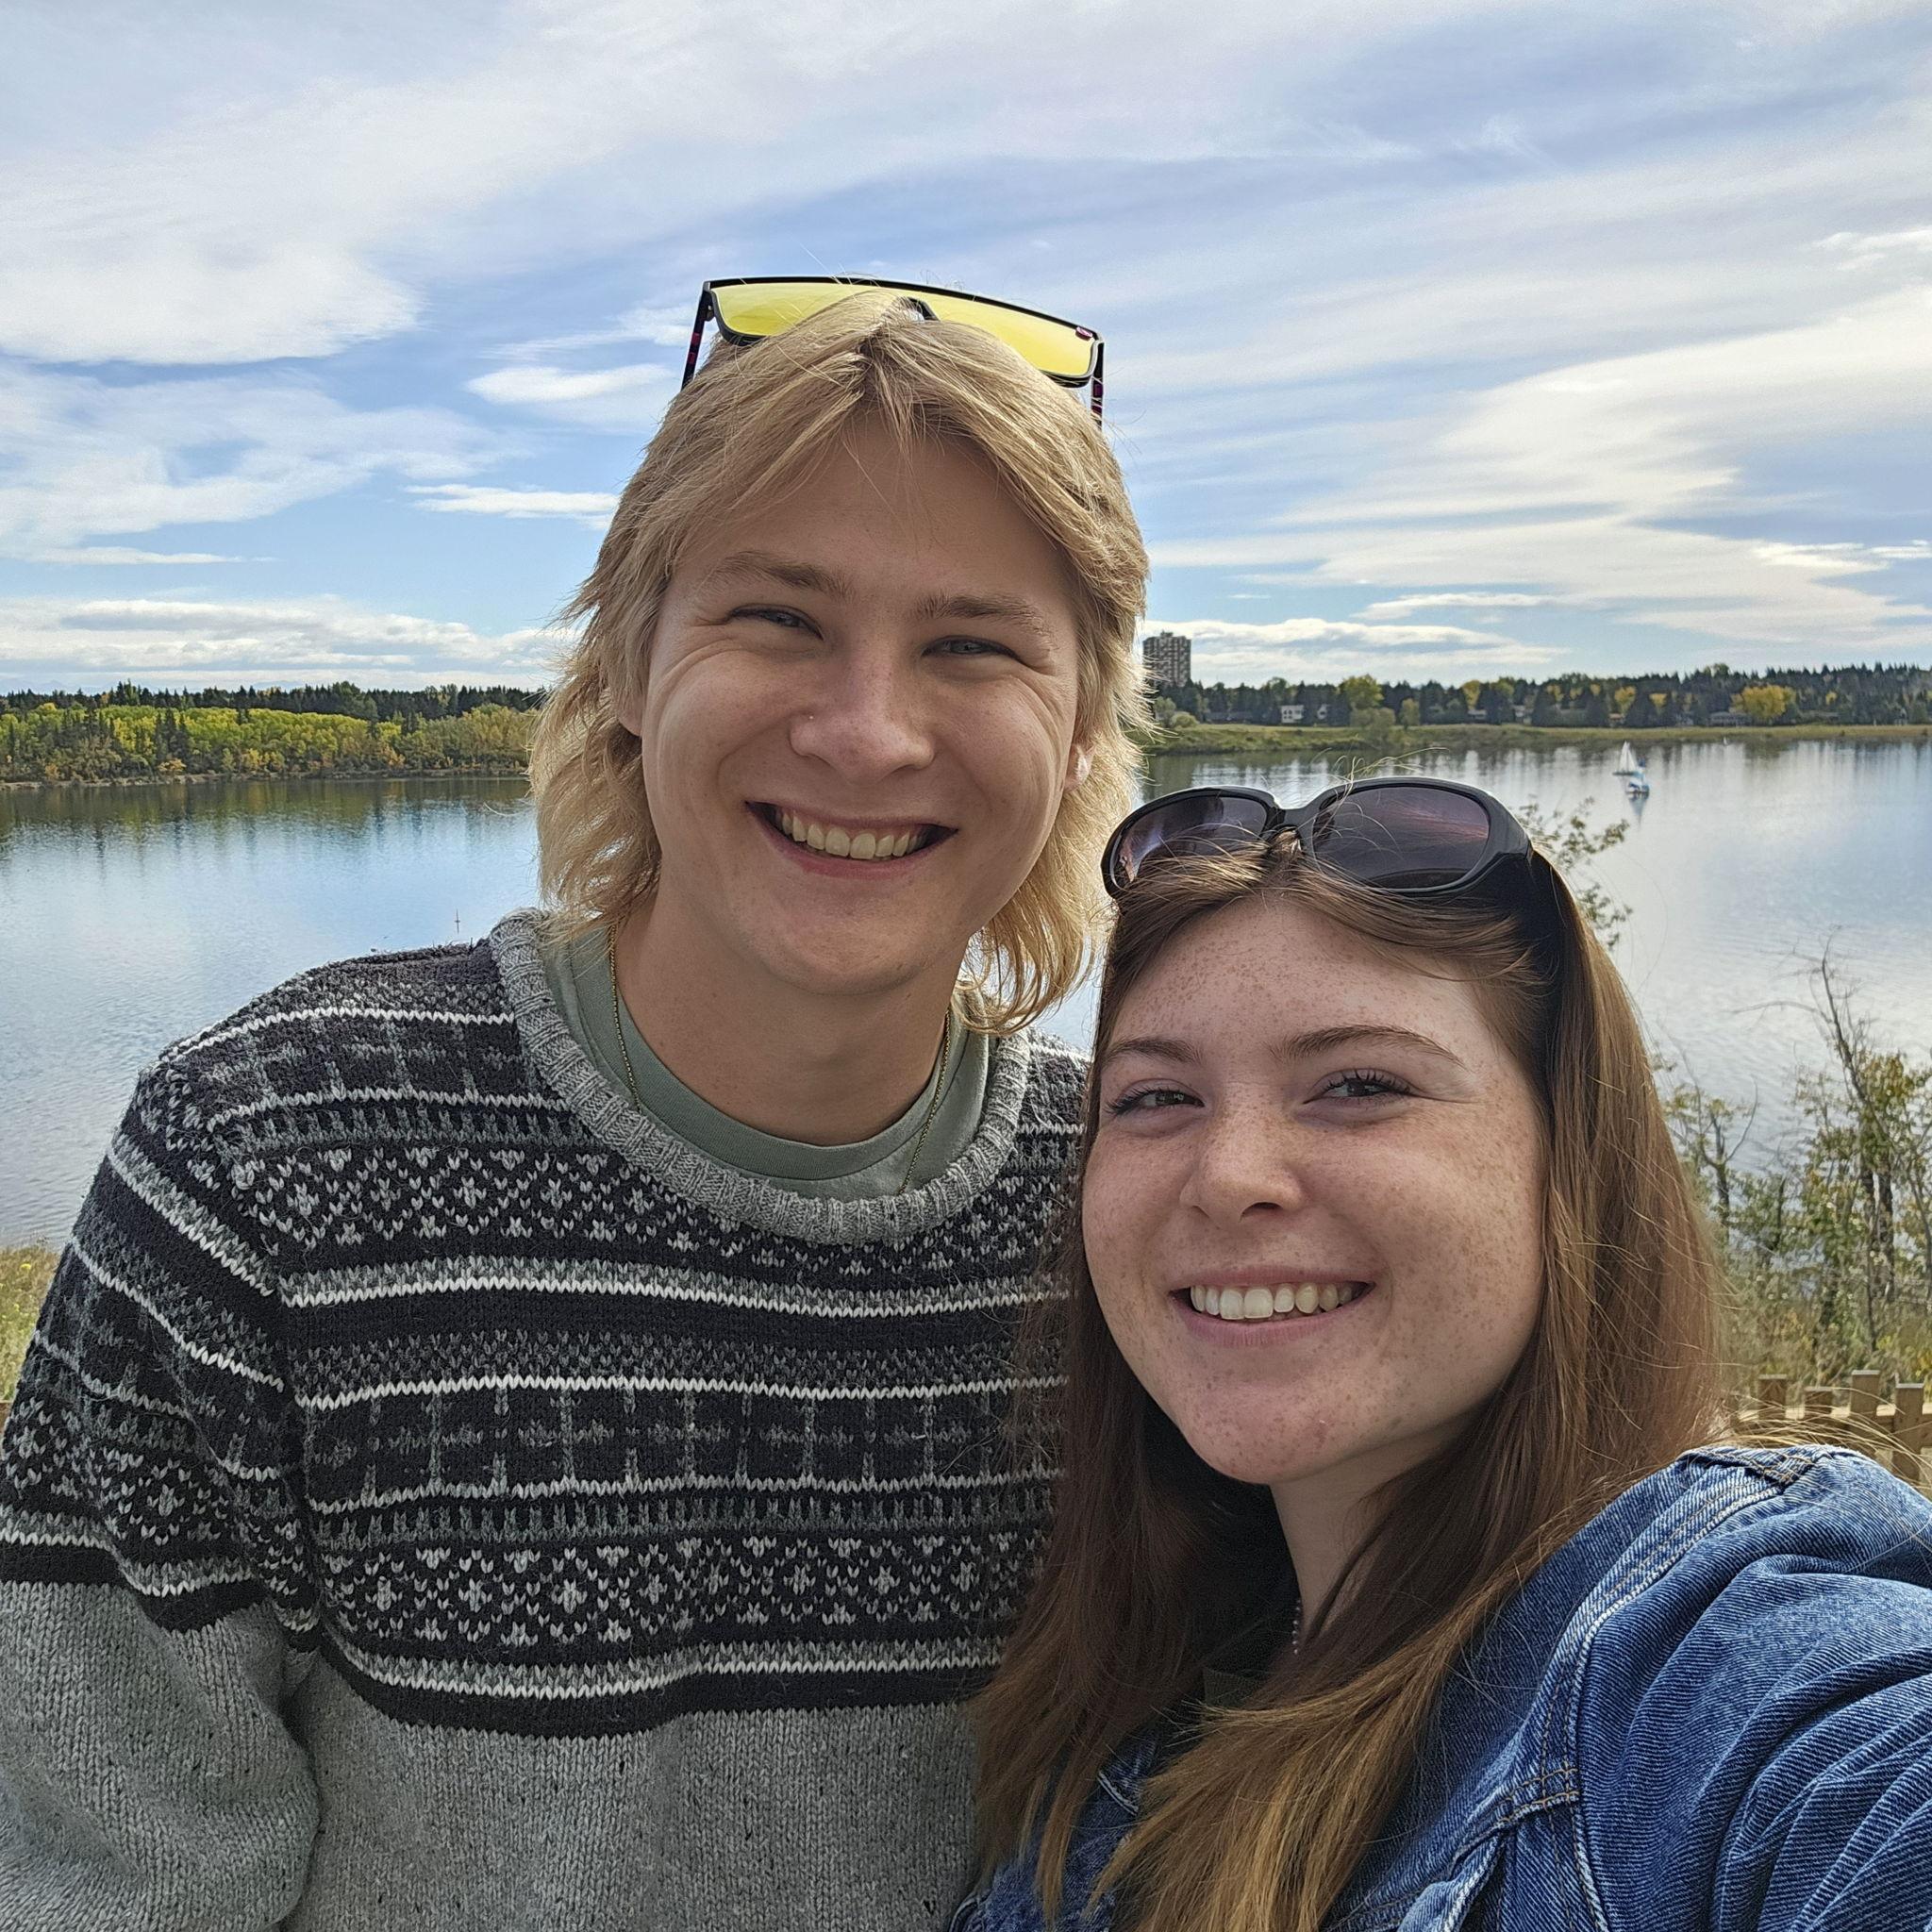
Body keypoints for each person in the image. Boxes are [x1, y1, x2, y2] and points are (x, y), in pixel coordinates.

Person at [0, 281, 1148, 1929]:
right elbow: (113, 1869)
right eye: (778, 617)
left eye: (970, 644)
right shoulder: (270, 1161)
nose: (866, 729)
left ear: (1082, 727)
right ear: (622, 658)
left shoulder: (1132, 1221)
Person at [961, 778, 1932, 1932]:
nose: (1227, 1174)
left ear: (1569, 1159)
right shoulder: (1133, 1703)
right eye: (1156, 1095)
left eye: (1359, 1083)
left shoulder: (1716, 1678)